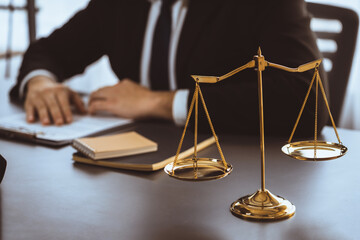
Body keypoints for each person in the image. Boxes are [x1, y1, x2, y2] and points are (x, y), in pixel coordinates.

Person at [10, 0, 328, 136]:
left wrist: (159, 102)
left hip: (235, 178)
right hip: (137, 178)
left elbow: (307, 102)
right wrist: (40, 83)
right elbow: (50, 51)